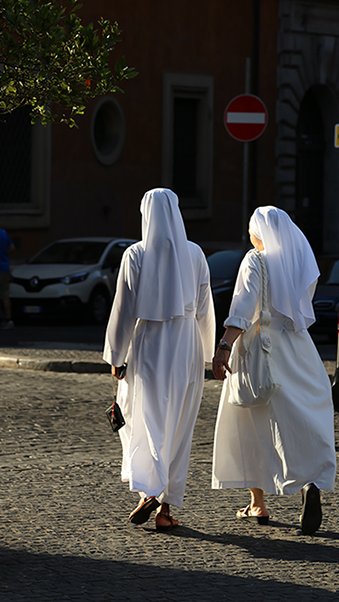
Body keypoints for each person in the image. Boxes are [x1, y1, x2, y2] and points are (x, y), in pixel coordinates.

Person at [212, 206, 336, 535]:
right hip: (299, 348)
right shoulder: (298, 263)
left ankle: (258, 502)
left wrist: (224, 346)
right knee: (302, 417)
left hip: (259, 349)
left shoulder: (256, 260)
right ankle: (309, 482)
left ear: (259, 232)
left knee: (248, 420)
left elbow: (242, 307)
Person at [103, 188, 215, 531]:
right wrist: (209, 352)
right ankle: (165, 510)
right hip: (186, 346)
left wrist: (116, 355)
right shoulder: (195, 253)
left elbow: (122, 310)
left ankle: (147, 491)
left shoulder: (135, 254)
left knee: (145, 419)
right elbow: (204, 305)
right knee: (180, 425)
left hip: (149, 344)